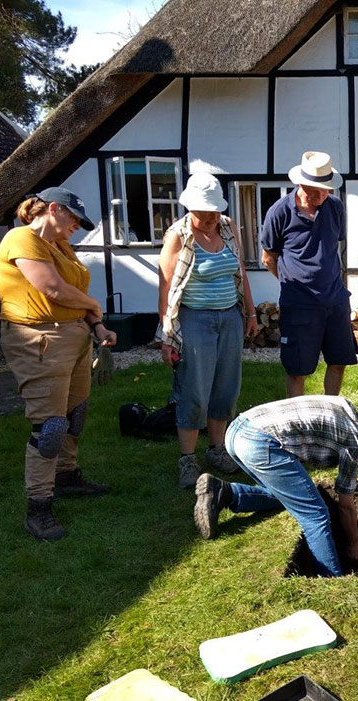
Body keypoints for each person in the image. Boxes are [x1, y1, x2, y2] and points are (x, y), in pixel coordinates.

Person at [0, 188, 116, 542]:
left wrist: (96, 325)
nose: (76, 227)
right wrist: (94, 304)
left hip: (75, 335)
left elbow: (72, 294)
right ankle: (39, 506)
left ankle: (65, 476)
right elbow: (52, 289)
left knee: (74, 414)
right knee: (49, 426)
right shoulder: (21, 239)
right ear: (52, 209)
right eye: (74, 219)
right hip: (38, 339)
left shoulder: (60, 246)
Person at [192, 396, 358, 577]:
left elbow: (335, 442)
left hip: (237, 431)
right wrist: (354, 544)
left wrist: (356, 470)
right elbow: (345, 506)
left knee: (292, 496)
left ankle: (225, 493)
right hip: (259, 442)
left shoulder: (347, 409)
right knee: (315, 515)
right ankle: (330, 579)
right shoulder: (354, 441)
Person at [157, 173, 257, 489]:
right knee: (194, 390)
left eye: (214, 210)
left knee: (226, 388)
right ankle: (187, 459)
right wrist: (167, 334)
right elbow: (166, 286)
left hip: (229, 318)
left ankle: (216, 450)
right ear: (190, 208)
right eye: (205, 212)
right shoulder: (178, 236)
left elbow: (239, 271)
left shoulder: (227, 228)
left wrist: (251, 312)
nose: (212, 217)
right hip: (194, 320)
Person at [260, 151, 357, 398]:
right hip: (299, 304)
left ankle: (330, 415)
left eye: (327, 189)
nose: (322, 195)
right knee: (297, 370)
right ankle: (299, 424)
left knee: (338, 361)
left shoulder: (335, 207)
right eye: (316, 190)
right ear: (301, 184)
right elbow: (268, 257)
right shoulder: (279, 211)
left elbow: (334, 245)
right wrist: (291, 283)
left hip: (335, 300)